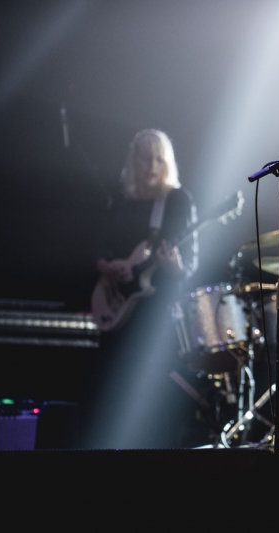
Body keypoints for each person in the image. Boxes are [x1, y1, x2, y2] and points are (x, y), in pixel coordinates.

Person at [84, 129, 198, 449]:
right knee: (106, 392)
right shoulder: (121, 200)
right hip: (115, 310)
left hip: (154, 316)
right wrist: (107, 267)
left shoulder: (177, 201)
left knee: (147, 397)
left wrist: (173, 266)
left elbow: (191, 266)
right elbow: (98, 248)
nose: (151, 166)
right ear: (133, 160)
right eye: (145, 158)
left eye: (159, 159)